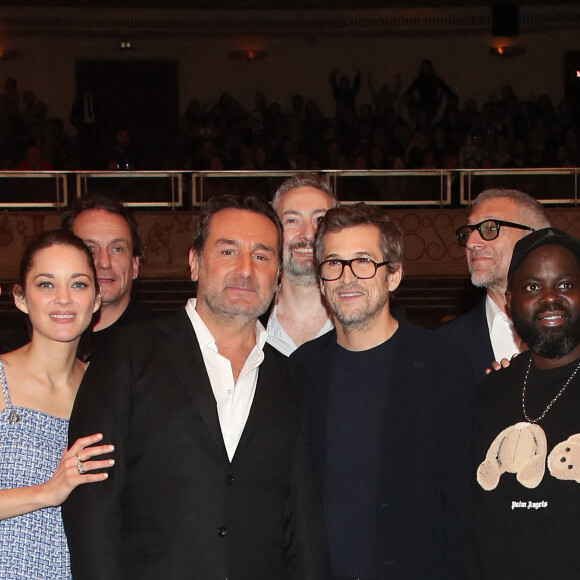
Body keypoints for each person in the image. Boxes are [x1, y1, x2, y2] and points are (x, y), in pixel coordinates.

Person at [62, 195, 328, 580]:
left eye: (262, 255)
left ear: (279, 275)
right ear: (194, 262)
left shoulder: (290, 379)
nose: (245, 269)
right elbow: (92, 503)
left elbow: (300, 518)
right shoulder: (127, 354)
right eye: (228, 250)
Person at [291, 203, 472, 579]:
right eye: (334, 264)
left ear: (393, 276)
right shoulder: (301, 369)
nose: (347, 278)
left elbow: (463, 500)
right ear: (321, 281)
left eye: (363, 262)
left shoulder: (442, 362)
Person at [0, 230, 114, 579]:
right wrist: (48, 492)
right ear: (21, 298)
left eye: (78, 285)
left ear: (96, 300)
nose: (63, 299)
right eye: (46, 285)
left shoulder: (106, 387)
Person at [471, 227, 580, 579]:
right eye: (533, 287)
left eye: (565, 285)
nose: (550, 298)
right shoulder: (488, 393)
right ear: (509, 301)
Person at [437, 188, 550, 386]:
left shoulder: (574, 333)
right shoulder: (442, 345)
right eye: (468, 232)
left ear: (535, 239)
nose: (471, 243)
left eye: (490, 228)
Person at [61, 194, 154, 356]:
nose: (104, 262)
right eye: (90, 249)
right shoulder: (33, 341)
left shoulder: (162, 346)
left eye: (117, 249)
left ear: (135, 265)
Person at [265, 173, 336, 355]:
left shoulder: (360, 324)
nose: (308, 234)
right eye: (292, 220)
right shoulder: (248, 323)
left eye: (320, 220)